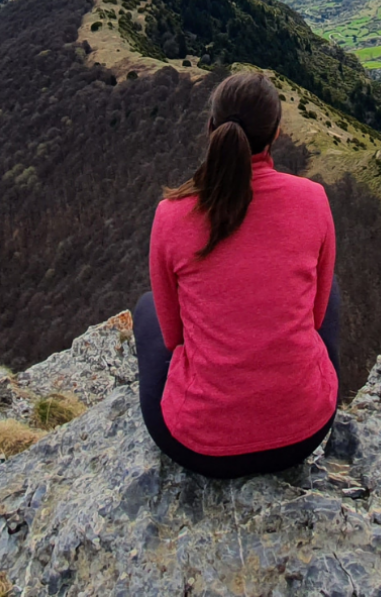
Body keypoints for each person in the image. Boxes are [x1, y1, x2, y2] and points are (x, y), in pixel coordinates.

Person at [133, 71, 341, 477]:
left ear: (211, 127)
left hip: (200, 447)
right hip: (305, 432)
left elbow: (175, 338)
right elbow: (315, 320)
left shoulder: (171, 216)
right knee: (327, 290)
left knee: (146, 310)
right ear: (277, 134)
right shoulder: (312, 200)